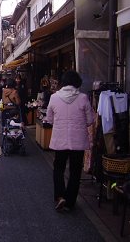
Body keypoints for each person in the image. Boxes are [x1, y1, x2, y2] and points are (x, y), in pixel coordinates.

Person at [45, 70, 95, 212]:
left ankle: (60, 196)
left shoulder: (54, 97)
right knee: (75, 171)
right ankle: (70, 201)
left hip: (60, 140)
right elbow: (90, 120)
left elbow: (49, 119)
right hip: (78, 141)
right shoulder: (83, 98)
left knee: (59, 169)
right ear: (77, 82)